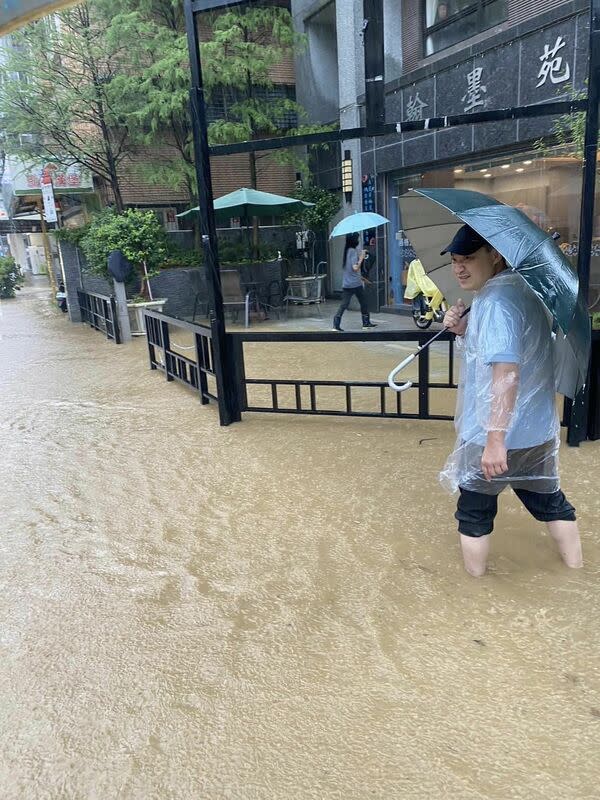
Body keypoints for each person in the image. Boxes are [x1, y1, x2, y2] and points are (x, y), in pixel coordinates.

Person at [441, 224, 582, 577]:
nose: (459, 268)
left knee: (473, 513)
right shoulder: (526, 290)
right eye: (456, 260)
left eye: (469, 258)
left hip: (494, 436)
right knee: (552, 504)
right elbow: (502, 355)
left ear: (495, 255)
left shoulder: (494, 301)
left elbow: (506, 372)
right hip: (536, 433)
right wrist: (463, 330)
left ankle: (475, 593)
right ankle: (578, 571)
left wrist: (495, 440)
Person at [332, 232, 377, 332]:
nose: (358, 241)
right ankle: (366, 323)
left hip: (348, 283)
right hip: (355, 284)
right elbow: (355, 268)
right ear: (354, 240)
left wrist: (364, 280)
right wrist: (361, 257)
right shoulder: (352, 251)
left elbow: (350, 271)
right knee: (363, 303)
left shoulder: (346, 251)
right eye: (357, 239)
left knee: (344, 304)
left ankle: (336, 324)